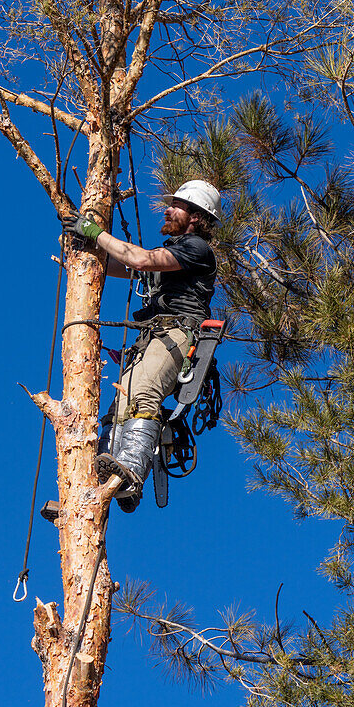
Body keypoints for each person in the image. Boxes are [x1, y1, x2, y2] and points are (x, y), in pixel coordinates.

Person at [65, 180, 221, 511]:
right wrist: (81, 251)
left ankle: (131, 476)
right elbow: (121, 265)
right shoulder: (176, 253)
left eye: (177, 205)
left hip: (177, 334)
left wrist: (95, 232)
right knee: (118, 408)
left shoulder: (196, 249)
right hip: (154, 337)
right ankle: (97, 479)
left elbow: (139, 258)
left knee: (142, 394)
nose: (167, 209)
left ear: (196, 217)